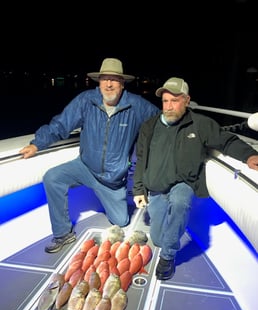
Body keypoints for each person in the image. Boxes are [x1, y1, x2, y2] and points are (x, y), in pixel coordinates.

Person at [19, 58, 160, 253]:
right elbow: (61, 124)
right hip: (84, 166)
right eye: (104, 79)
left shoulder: (137, 106)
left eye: (114, 79)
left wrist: (187, 125)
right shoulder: (86, 100)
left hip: (112, 179)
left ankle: (103, 195)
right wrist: (37, 144)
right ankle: (63, 233)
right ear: (99, 81)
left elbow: (161, 125)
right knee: (53, 177)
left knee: (121, 221)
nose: (108, 84)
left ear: (122, 83)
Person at [133, 77, 258, 281]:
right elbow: (141, 159)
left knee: (180, 203)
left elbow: (226, 141)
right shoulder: (149, 126)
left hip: (183, 182)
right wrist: (139, 189)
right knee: (157, 238)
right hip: (156, 187)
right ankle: (168, 236)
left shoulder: (200, 124)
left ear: (187, 100)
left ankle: (167, 257)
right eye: (165, 101)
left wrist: (248, 155)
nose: (169, 106)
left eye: (175, 100)